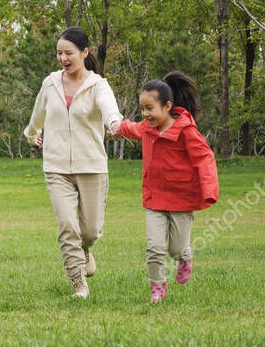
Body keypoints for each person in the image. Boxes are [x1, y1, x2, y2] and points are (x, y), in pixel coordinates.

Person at [24, 27, 123, 300]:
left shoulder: (97, 85)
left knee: (90, 230)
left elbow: (108, 107)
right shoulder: (51, 83)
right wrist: (32, 134)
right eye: (59, 53)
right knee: (68, 225)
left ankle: (86, 248)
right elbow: (38, 114)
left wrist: (113, 122)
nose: (63, 58)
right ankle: (78, 282)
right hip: (56, 167)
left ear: (84, 53)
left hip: (91, 165)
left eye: (69, 53)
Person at [114, 71, 219, 303]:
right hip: (155, 198)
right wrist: (117, 127)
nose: (145, 114)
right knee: (154, 247)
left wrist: (209, 190)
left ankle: (185, 257)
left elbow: (205, 158)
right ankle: (157, 288)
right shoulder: (147, 128)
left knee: (177, 249)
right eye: (142, 109)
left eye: (150, 108)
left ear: (167, 106)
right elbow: (131, 128)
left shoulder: (186, 131)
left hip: (182, 199)